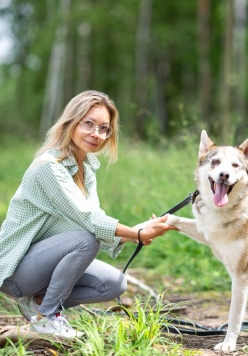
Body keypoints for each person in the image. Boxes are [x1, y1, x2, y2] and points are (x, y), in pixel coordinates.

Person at [0, 90, 175, 338]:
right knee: (85, 239)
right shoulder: (49, 168)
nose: (97, 134)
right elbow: (89, 222)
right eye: (89, 124)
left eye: (104, 128)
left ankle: (40, 301)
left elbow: (95, 220)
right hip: (15, 270)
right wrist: (136, 232)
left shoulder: (86, 170)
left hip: (42, 263)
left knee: (114, 284)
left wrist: (136, 233)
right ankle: (47, 317)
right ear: (72, 122)